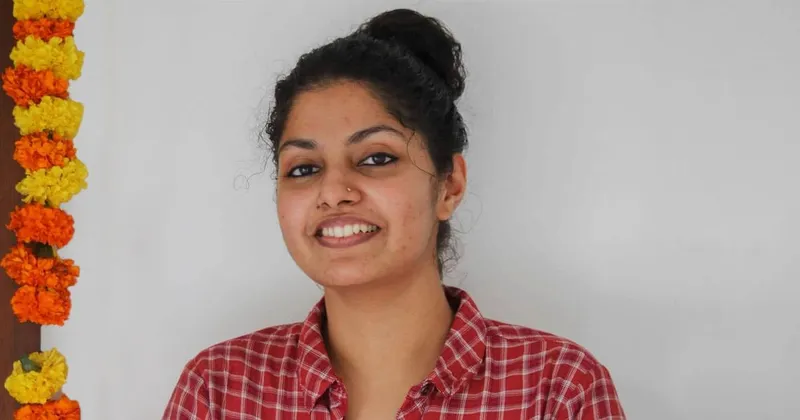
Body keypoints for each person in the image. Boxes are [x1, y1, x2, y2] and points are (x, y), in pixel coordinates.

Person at [163, 8, 625, 420]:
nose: (333, 192)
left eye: (376, 158)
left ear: (449, 185)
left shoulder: (558, 390)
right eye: (304, 168)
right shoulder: (219, 390)